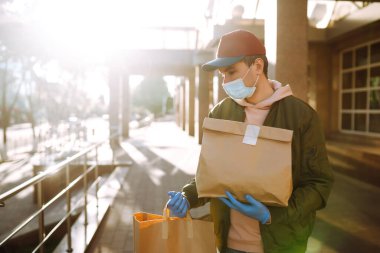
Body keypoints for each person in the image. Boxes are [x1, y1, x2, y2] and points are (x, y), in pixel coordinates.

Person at [167, 30, 334, 253]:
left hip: (282, 245)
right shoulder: (221, 112)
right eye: (222, 75)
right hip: (227, 245)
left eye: (231, 71)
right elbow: (211, 173)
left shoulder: (301, 117)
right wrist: (187, 197)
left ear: (257, 66)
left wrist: (271, 215)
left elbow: (318, 184)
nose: (225, 81)